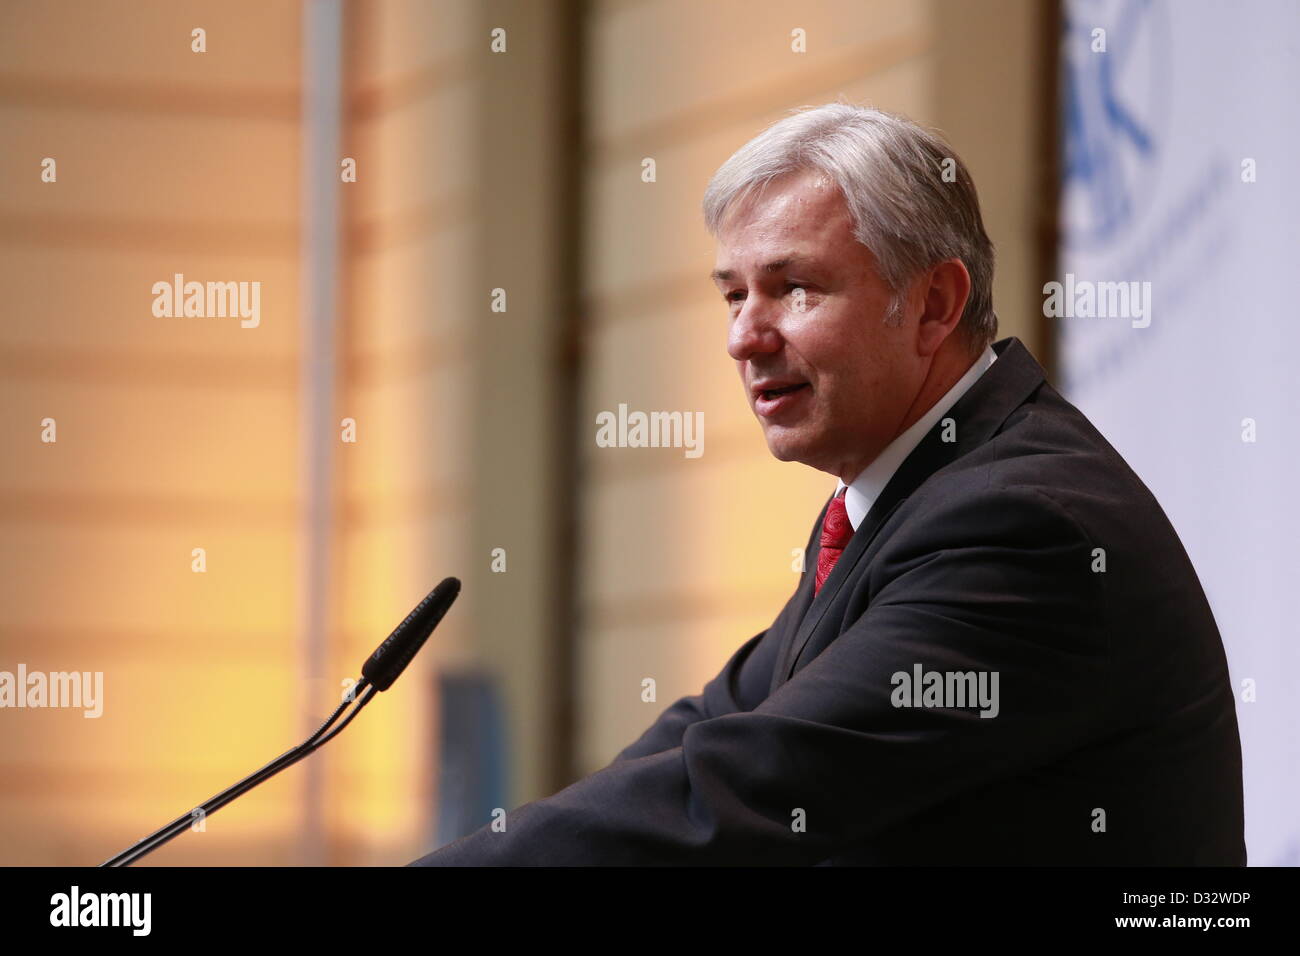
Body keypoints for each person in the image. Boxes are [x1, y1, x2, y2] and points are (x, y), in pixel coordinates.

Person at [409, 103, 1245, 865]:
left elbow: (752, 787)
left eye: (792, 287)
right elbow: (708, 732)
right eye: (733, 295)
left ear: (933, 304)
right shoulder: (903, 491)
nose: (744, 337)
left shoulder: (1018, 523)